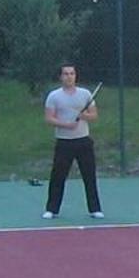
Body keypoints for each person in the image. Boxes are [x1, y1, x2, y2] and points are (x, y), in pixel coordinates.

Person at [42, 63, 104, 219]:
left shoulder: (85, 94)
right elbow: (49, 119)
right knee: (58, 176)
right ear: (61, 77)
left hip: (83, 141)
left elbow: (94, 115)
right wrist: (66, 125)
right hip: (64, 142)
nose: (69, 76)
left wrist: (84, 116)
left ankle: (95, 209)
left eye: (72, 73)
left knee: (89, 175)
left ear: (75, 76)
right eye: (65, 74)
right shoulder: (54, 96)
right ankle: (52, 209)